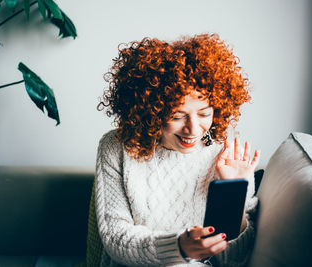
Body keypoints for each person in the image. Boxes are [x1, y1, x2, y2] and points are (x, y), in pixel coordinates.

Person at [93, 33, 260, 267]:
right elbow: (115, 238)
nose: (193, 129)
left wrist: (234, 197)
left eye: (204, 114)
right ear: (150, 112)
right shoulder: (117, 147)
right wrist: (177, 247)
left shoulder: (224, 155)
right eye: (177, 116)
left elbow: (233, 260)